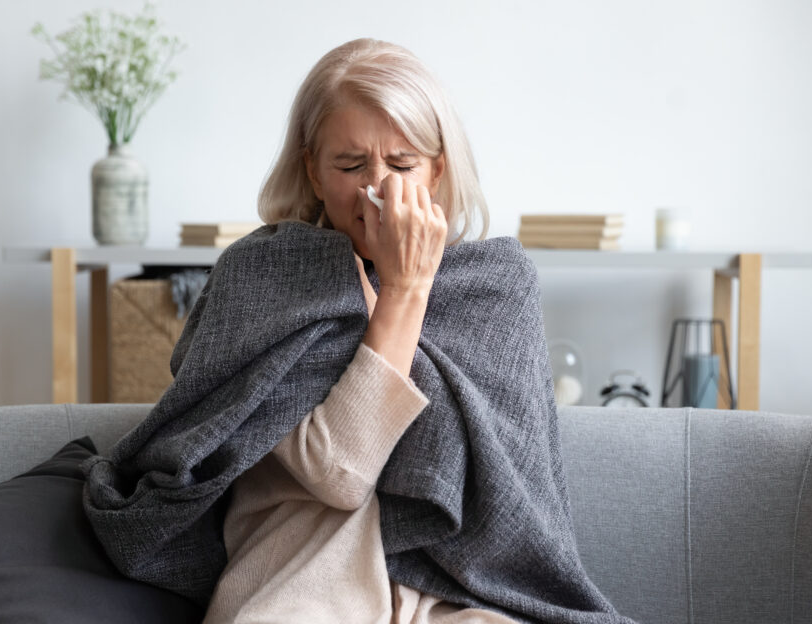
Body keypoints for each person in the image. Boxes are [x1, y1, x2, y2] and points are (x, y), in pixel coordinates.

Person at [84, 37, 632, 624]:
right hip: (298, 590)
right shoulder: (262, 278)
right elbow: (337, 471)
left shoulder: (495, 287)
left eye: (402, 165)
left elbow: (517, 505)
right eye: (350, 165)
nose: (378, 189)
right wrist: (405, 289)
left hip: (457, 598)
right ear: (313, 171)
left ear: (438, 170)